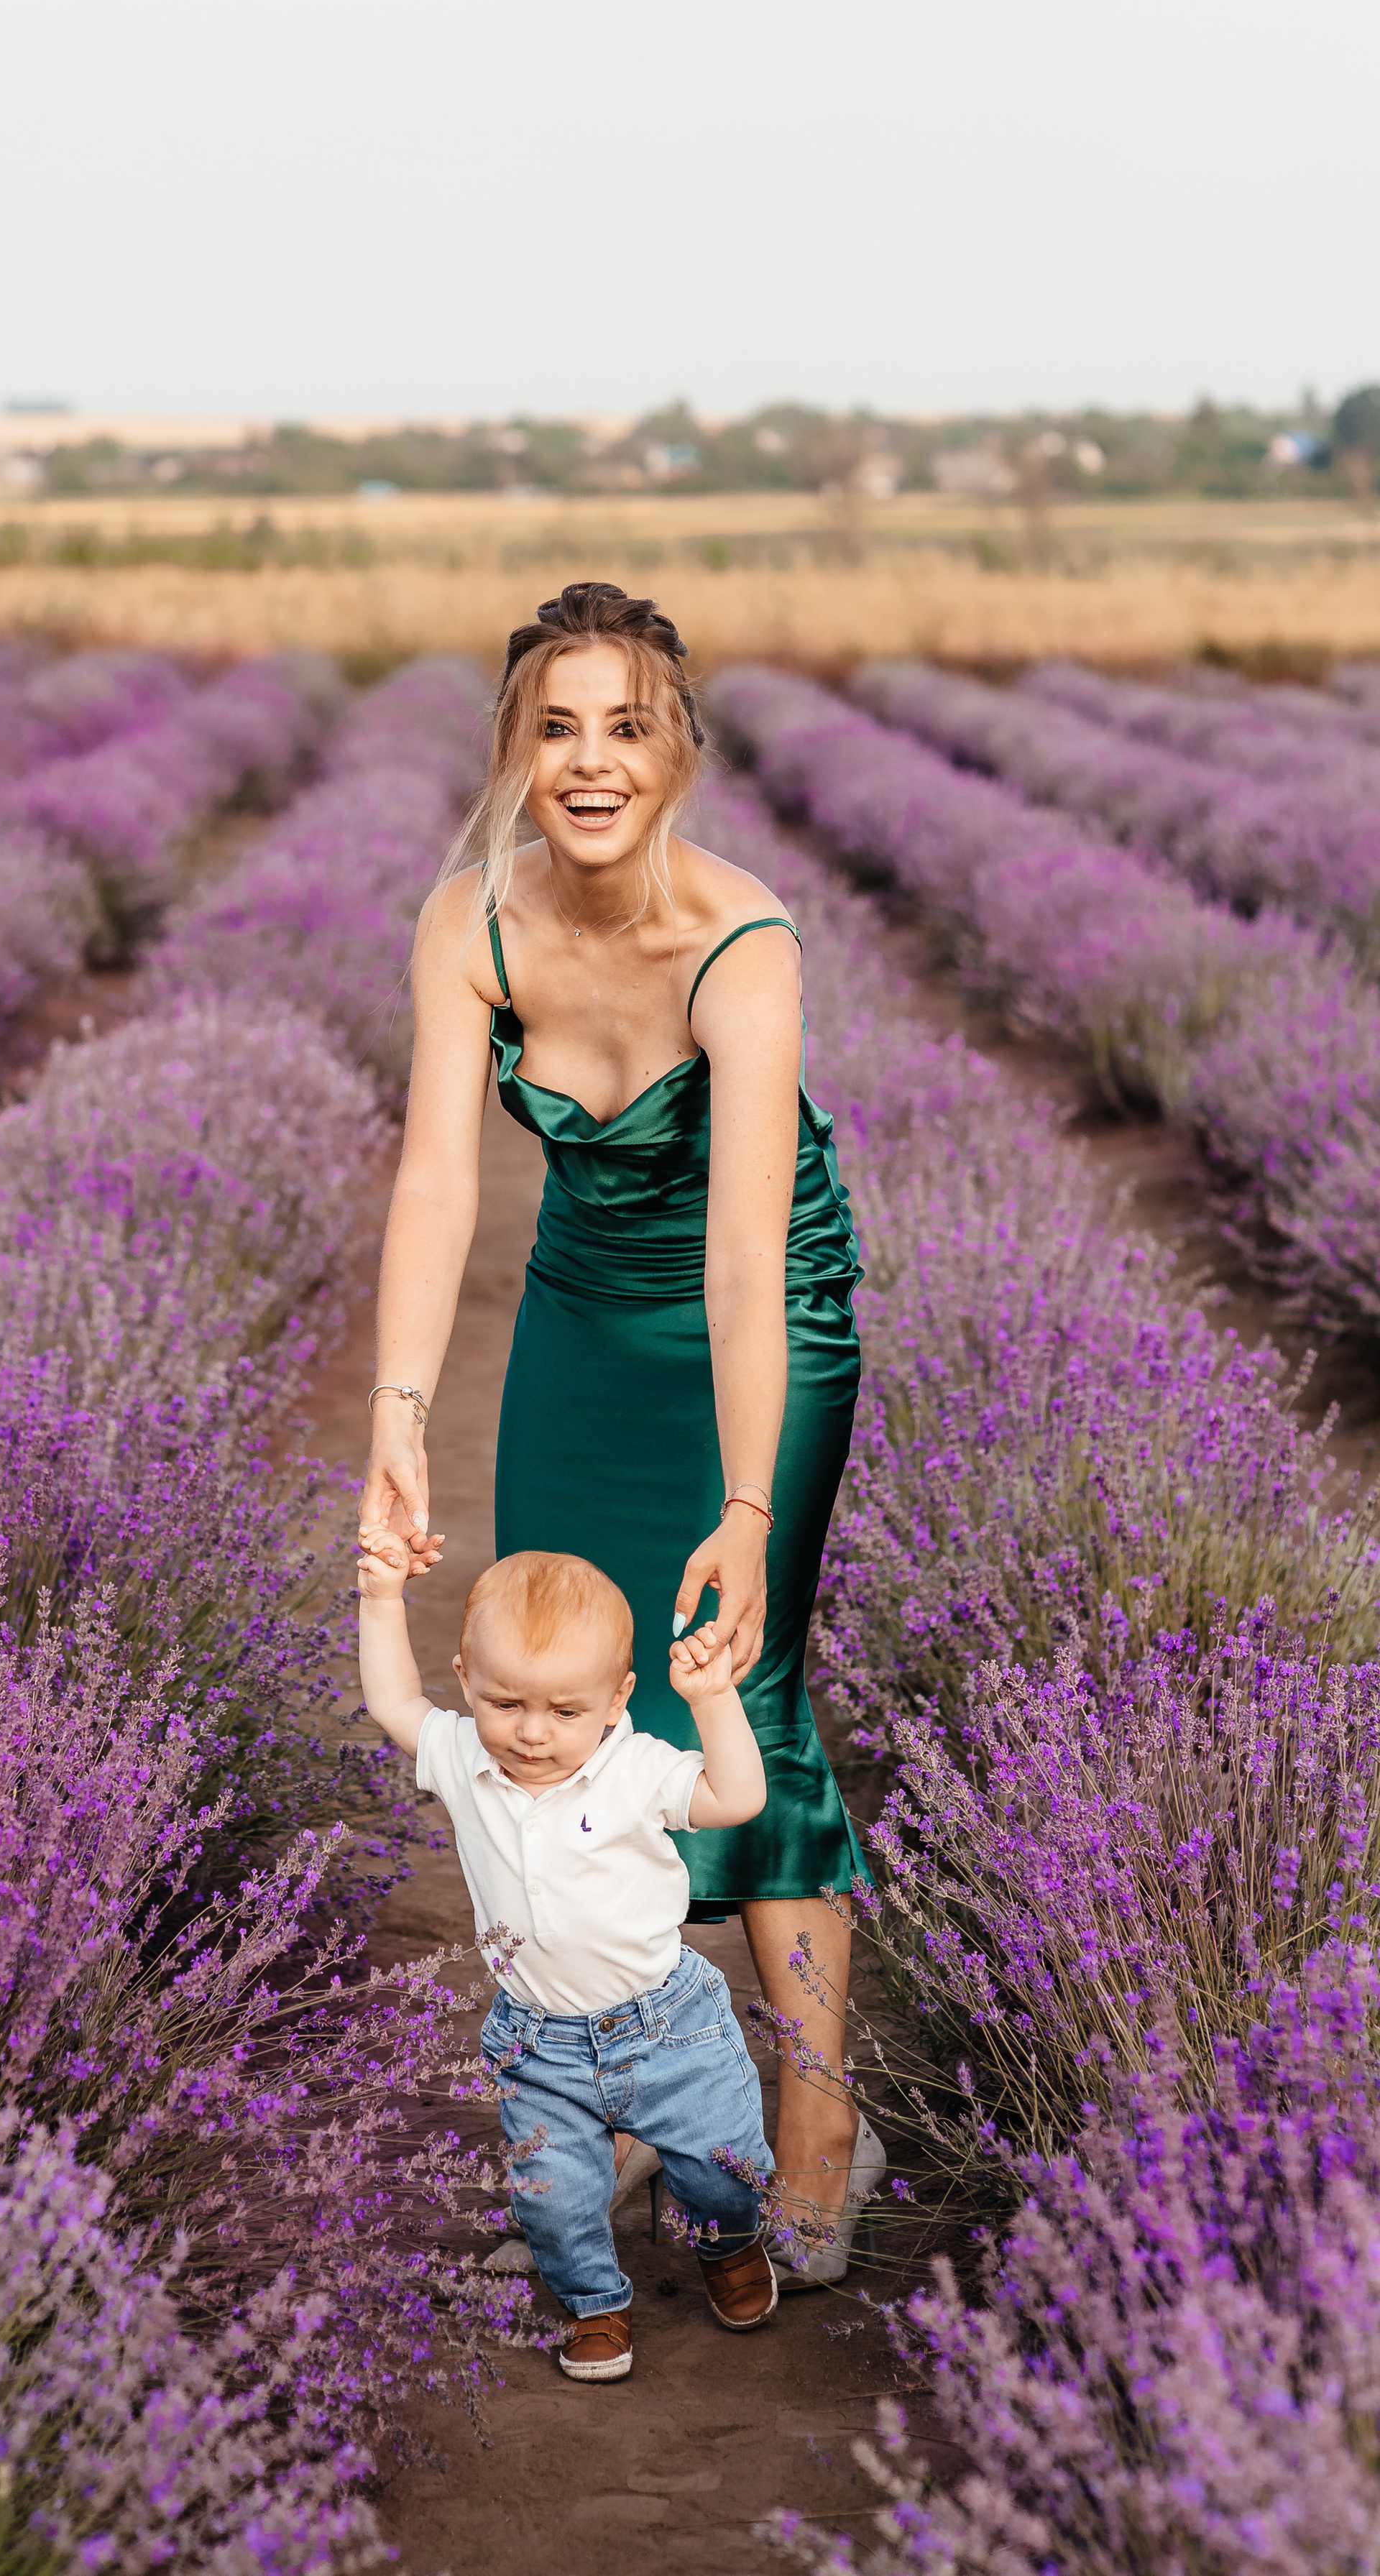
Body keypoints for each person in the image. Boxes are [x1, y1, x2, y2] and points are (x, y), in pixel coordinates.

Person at [359, 581, 883, 2285]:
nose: (589, 762)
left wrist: (744, 1502)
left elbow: (740, 1257)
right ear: (514, 749)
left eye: (626, 726)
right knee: (563, 1683)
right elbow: (437, 1185)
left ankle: (817, 2114)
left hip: (759, 1318)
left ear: (677, 752)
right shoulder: (469, 919)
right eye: (555, 726)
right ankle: (646, 2079)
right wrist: (398, 1423)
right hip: (580, 1316)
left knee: (739, 1681)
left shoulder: (741, 940)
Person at [356, 1531, 781, 2379]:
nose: (531, 1733)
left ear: (616, 1698)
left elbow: (737, 1798)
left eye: (564, 1712)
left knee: (723, 2171)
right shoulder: (463, 1756)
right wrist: (380, 1596)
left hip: (669, 2024)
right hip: (539, 2039)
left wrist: (711, 1699)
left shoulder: (635, 1769)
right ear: (465, 1680)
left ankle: (729, 2244)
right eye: (504, 1702)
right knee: (551, 2198)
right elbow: (393, 1700)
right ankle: (593, 2302)